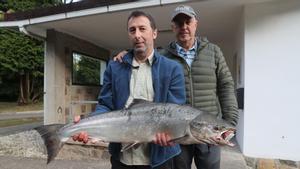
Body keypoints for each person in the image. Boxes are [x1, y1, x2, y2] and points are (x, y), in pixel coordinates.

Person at [114, 5, 239, 169]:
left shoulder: (213, 52)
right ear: (173, 27)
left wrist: (227, 123)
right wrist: (126, 54)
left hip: (208, 128)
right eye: (179, 24)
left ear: (196, 24)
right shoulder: (163, 56)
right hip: (176, 131)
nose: (184, 27)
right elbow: (143, 52)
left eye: (188, 21)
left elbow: (226, 86)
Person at [73, 10, 186, 169]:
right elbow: (105, 105)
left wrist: (170, 133)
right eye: (132, 30)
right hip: (122, 159)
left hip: (160, 159)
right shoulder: (114, 67)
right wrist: (86, 124)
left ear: (154, 33)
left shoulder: (173, 69)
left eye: (142, 29)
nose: (137, 35)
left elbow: (176, 112)